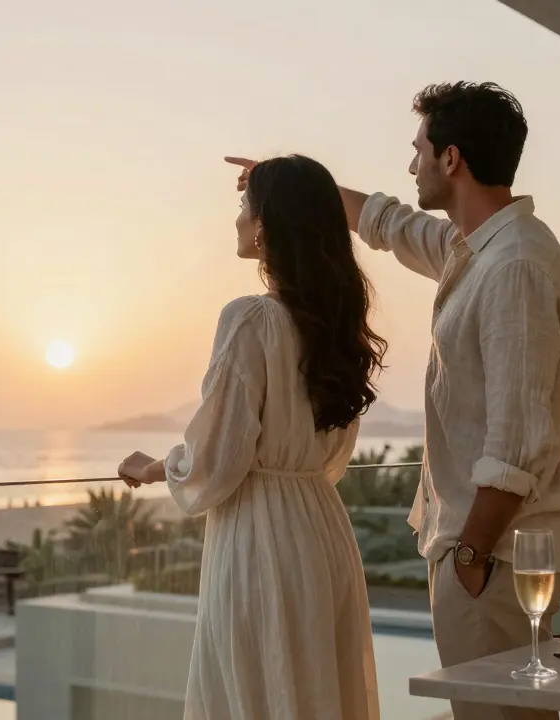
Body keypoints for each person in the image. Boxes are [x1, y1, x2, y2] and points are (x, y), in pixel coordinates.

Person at [230, 81, 560, 720]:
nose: (411, 164)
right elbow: (387, 222)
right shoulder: (470, 247)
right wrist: (294, 188)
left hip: (498, 552)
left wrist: (469, 557)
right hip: (483, 549)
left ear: (452, 160)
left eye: (418, 150)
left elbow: (518, 441)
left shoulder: (515, 266)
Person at [117, 154, 386, 720]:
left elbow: (216, 459)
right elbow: (329, 457)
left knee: (255, 694)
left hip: (260, 540)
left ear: (265, 225)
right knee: (315, 693)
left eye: (243, 207)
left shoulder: (250, 321)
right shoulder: (335, 325)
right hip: (323, 532)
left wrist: (159, 466)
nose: (236, 219)